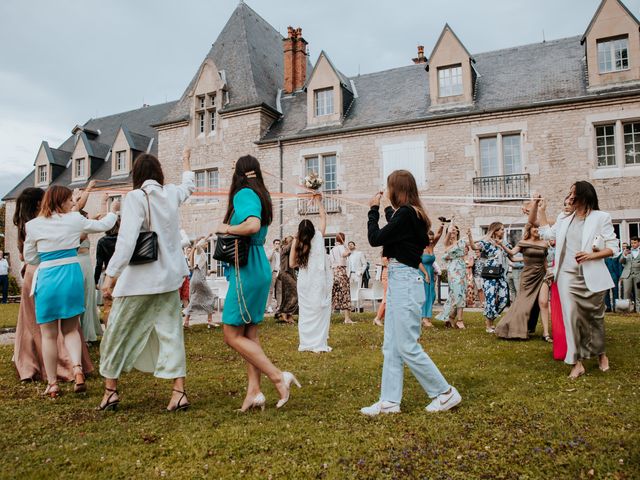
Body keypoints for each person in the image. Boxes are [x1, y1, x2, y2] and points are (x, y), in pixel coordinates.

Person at [98, 150, 194, 411]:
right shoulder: (172, 193)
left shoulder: (135, 197)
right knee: (172, 334)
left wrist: (111, 277)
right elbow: (189, 186)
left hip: (139, 281)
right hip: (169, 280)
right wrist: (186, 162)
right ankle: (179, 392)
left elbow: (127, 241)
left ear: (137, 176)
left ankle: (110, 391)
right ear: (159, 174)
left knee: (117, 332)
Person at [361, 170, 461, 416]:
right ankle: (389, 401)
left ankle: (445, 392)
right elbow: (395, 227)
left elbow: (376, 238)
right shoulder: (413, 215)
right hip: (400, 279)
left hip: (405, 281)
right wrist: (385, 208)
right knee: (392, 345)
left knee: (406, 345)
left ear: (397, 189)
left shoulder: (407, 214)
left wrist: (372, 210)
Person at [216, 155, 299, 412]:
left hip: (248, 267)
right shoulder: (262, 194)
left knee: (231, 334)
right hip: (258, 264)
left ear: (239, 173)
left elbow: (252, 225)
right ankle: (254, 392)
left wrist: (225, 228)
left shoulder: (243, 193)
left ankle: (277, 376)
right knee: (249, 332)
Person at [24, 186, 118, 398]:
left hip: (47, 275)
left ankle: (53, 383)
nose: (71, 203)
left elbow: (30, 257)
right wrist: (114, 210)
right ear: (60, 201)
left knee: (48, 334)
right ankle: (77, 369)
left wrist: (48, 258)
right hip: (71, 274)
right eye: (68, 200)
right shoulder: (74, 219)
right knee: (71, 329)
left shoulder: (33, 225)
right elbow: (104, 224)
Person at [531, 181, 619, 378]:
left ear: (584, 196)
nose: (570, 197)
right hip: (567, 277)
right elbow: (547, 233)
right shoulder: (565, 217)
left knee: (595, 319)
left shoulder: (601, 217)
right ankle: (577, 362)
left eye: (573, 194)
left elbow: (614, 247)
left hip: (591, 276)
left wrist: (591, 256)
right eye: (569, 193)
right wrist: (542, 211)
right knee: (572, 319)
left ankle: (601, 354)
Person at [12, 187, 94, 382]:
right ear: (39, 202)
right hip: (48, 272)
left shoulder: (27, 225)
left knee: (33, 324)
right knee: (65, 323)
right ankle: (69, 366)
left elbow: (24, 255)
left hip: (34, 273)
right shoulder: (43, 223)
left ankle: (31, 365)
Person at [290, 195, 332, 352]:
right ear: (313, 230)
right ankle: (318, 341)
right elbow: (323, 217)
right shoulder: (319, 237)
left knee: (306, 313)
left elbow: (292, 264)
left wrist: (303, 265)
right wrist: (318, 202)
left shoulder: (297, 241)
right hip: (319, 281)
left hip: (305, 281)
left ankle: (306, 342)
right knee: (319, 311)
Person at [496, 224, 552, 341]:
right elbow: (512, 253)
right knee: (524, 304)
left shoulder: (544, 243)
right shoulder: (523, 242)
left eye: (538, 227)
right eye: (534, 227)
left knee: (543, 302)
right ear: (529, 230)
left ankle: (546, 334)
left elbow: (545, 261)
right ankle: (514, 328)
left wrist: (549, 274)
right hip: (527, 277)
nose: (537, 229)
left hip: (542, 275)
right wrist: (502, 245)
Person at [469, 222, 509, 333]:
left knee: (503, 299)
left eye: (503, 229)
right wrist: (470, 237)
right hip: (490, 274)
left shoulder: (504, 243)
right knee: (490, 299)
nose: (503, 231)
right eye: (501, 229)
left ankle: (492, 319)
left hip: (501, 276)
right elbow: (474, 247)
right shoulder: (487, 243)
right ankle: (489, 325)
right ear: (495, 231)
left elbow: (512, 254)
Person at [436, 225, 471, 329]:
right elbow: (446, 246)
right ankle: (459, 320)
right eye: (452, 230)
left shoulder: (462, 242)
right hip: (453, 269)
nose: (454, 231)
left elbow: (471, 248)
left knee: (459, 293)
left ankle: (450, 317)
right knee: (457, 292)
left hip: (462, 268)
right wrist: (448, 230)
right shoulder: (448, 243)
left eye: (455, 229)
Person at [183, 235, 217, 329]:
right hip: (199, 279)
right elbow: (198, 245)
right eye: (205, 242)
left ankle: (186, 322)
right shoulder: (199, 251)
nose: (207, 244)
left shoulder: (199, 254)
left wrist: (212, 271)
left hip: (195, 278)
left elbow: (202, 270)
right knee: (211, 296)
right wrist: (207, 237)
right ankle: (210, 321)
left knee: (193, 300)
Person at [94, 219, 120, 325]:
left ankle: (107, 335)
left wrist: (95, 280)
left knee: (107, 307)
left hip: (109, 276)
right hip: (123, 275)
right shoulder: (123, 240)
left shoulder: (102, 241)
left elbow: (99, 264)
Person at [420, 224, 443, 328]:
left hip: (430, 272)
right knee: (425, 295)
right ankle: (425, 319)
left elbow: (439, 234)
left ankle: (425, 317)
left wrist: (442, 224)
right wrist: (425, 274)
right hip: (422, 272)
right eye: (429, 239)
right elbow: (418, 262)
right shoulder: (419, 247)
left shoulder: (432, 246)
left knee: (432, 295)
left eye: (432, 239)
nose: (431, 241)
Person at [330, 233, 354, 323]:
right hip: (341, 271)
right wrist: (346, 247)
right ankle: (347, 318)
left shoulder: (332, 249)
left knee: (333, 294)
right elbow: (346, 254)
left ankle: (326, 317)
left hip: (333, 272)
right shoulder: (341, 248)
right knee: (345, 293)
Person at [275, 236, 297, 324]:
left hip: (291, 274)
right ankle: (285, 312)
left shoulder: (291, 251)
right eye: (291, 241)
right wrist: (296, 238)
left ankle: (288, 315)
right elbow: (289, 247)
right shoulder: (284, 249)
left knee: (288, 295)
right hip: (284, 273)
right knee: (295, 292)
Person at [620, 236, 640, 312]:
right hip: (627, 275)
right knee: (626, 292)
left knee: (638, 294)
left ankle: (638, 310)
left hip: (638, 275)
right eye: (632, 243)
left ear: (638, 243)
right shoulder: (627, 251)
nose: (633, 244)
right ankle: (626, 310)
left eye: (635, 243)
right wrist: (624, 255)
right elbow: (621, 262)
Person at [372, 255, 388, 326]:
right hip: (387, 276)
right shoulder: (386, 253)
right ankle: (377, 318)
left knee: (389, 299)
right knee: (386, 298)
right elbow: (385, 263)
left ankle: (381, 318)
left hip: (392, 275)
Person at [266, 239, 281, 314]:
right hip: (273, 273)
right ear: (274, 244)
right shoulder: (272, 252)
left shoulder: (280, 253)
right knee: (270, 290)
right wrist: (273, 250)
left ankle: (279, 306)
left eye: (278, 243)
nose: (277, 245)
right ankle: (269, 306)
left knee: (279, 290)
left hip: (280, 273)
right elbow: (268, 258)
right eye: (276, 243)